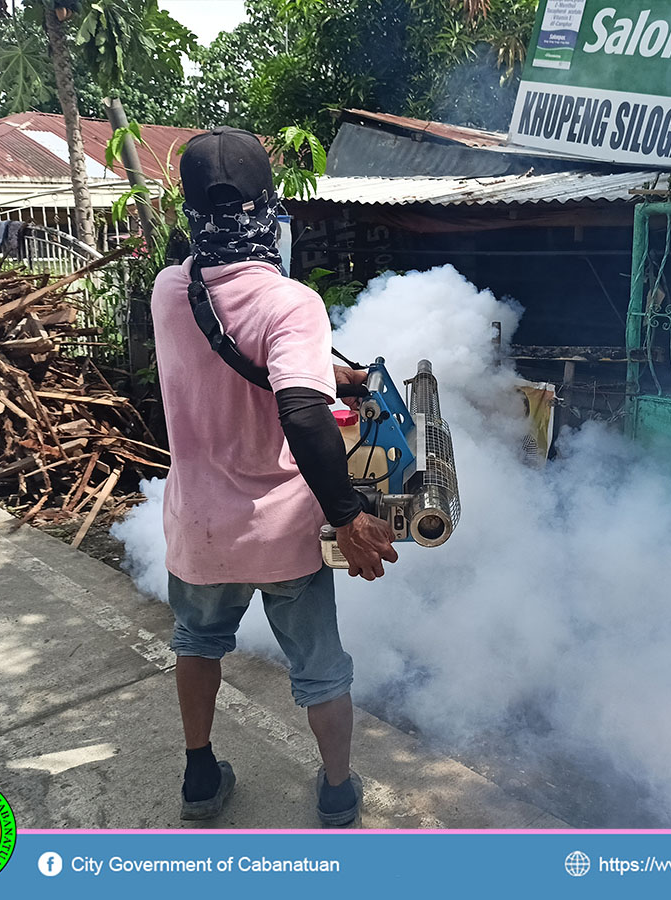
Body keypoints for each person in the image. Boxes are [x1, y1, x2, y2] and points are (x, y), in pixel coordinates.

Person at [150, 128, 397, 826]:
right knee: (320, 669)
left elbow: (226, 362)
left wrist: (327, 372)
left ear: (192, 212)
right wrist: (348, 515)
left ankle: (200, 778)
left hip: (199, 529)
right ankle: (339, 791)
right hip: (283, 532)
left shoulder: (170, 291)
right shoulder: (291, 302)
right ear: (268, 209)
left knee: (196, 644)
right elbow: (298, 409)